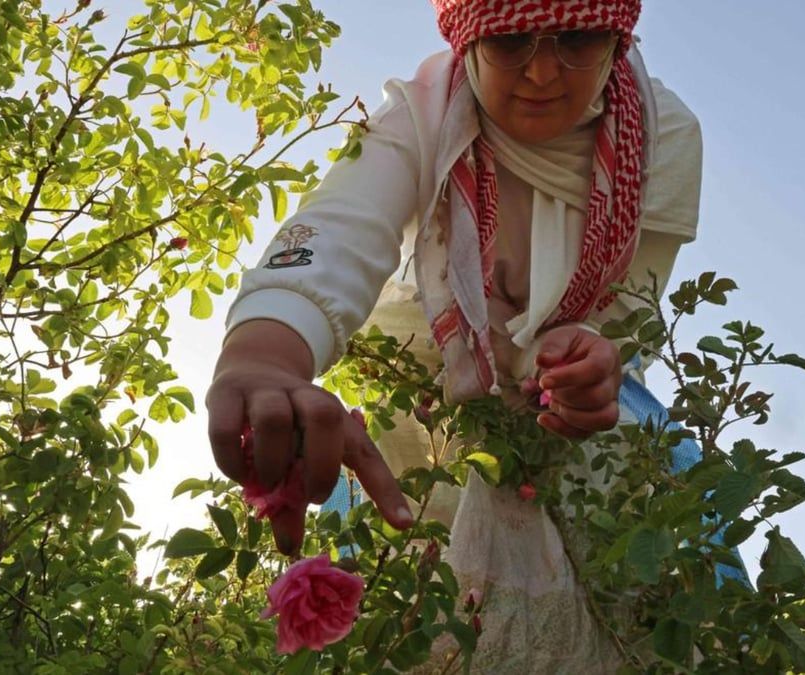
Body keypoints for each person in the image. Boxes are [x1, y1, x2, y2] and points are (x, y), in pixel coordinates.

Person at [208, 0, 723, 670]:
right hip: (422, 385)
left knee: (650, 584)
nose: (542, 72)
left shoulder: (666, 138)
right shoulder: (422, 113)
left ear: (617, 39)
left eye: (574, 38)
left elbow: (624, 313)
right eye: (510, 44)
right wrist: (265, 351)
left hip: (584, 413)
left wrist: (593, 363)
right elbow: (340, 230)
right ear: (469, 40)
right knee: (403, 604)